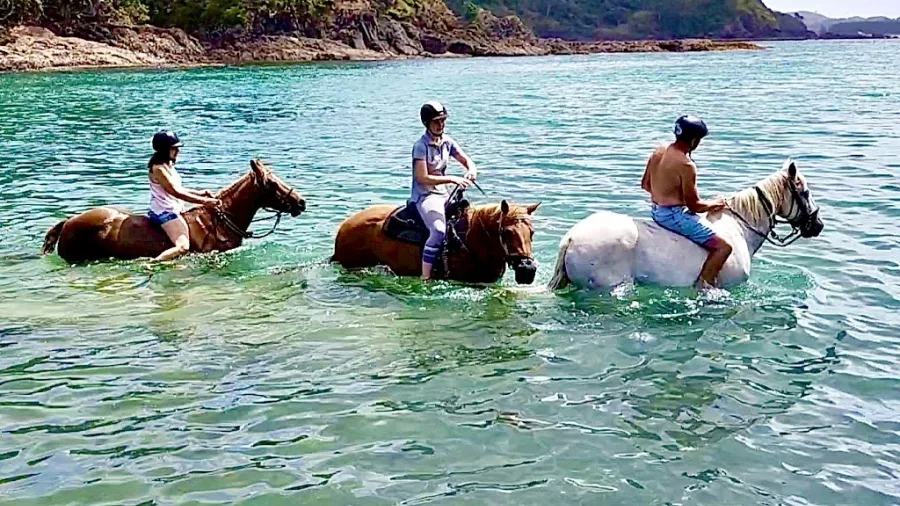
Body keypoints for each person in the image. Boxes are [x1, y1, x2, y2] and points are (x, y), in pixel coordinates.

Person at [641, 115, 732, 289]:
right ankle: (705, 288)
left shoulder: (659, 150)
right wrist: (716, 203)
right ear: (694, 140)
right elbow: (694, 206)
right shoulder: (686, 164)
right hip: (674, 216)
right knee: (724, 247)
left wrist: (665, 194)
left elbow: (645, 184)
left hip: (656, 211)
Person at [409, 101, 478, 280]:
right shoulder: (420, 146)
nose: (441, 124)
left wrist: (471, 170)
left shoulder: (447, 141)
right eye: (436, 121)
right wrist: (452, 179)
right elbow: (422, 178)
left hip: (444, 194)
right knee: (438, 230)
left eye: (443, 120)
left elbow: (466, 160)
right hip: (426, 196)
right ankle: (425, 277)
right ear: (427, 123)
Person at [147, 130, 220, 262]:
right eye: (174, 148)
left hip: (174, 209)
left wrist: (200, 193)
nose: (177, 151)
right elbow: (176, 192)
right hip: (165, 212)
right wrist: (204, 201)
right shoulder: (159, 169)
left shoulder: (168, 165)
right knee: (183, 247)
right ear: (164, 150)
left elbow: (179, 188)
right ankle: (153, 264)